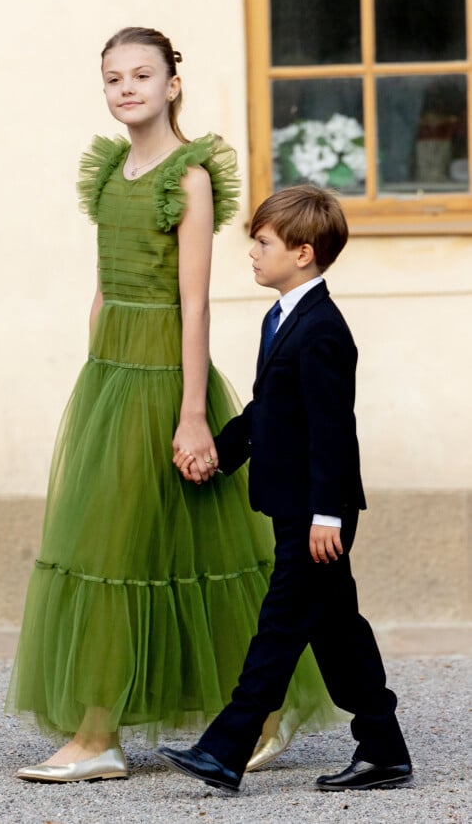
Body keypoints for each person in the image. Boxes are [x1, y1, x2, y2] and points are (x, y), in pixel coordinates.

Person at [6, 27, 342, 784]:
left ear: (172, 85)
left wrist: (192, 412)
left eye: (141, 76)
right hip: (109, 376)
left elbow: (195, 303)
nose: (126, 89)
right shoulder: (110, 170)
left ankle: (109, 734)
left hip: (162, 374)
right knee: (148, 547)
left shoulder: (188, 176)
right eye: (113, 78)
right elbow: (103, 286)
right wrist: (94, 375)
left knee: (130, 551)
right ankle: (194, 717)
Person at [157, 185, 413, 792]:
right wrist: (220, 453)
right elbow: (269, 409)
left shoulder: (322, 329)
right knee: (337, 631)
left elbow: (332, 432)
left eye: (263, 242)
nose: (251, 251)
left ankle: (224, 749)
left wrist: (328, 514)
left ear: (302, 253)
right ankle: (384, 748)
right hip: (296, 506)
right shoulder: (283, 318)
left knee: (278, 629)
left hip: (316, 514)